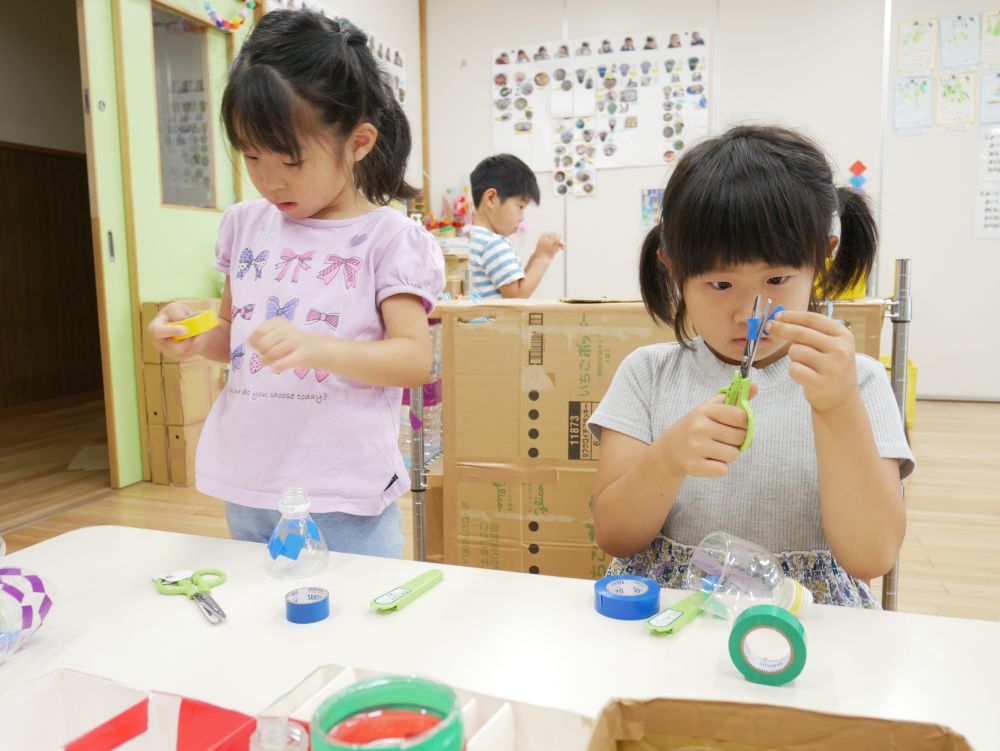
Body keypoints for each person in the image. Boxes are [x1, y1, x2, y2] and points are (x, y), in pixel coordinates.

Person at [147, 10, 444, 558]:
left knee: (356, 631)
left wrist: (318, 348)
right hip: (252, 481)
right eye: (252, 156)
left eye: (291, 159)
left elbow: (412, 360)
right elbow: (233, 338)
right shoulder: (244, 225)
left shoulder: (388, 238)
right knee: (272, 626)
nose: (269, 179)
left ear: (358, 142)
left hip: (342, 493)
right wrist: (191, 340)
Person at [588, 125, 912, 608]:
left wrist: (837, 406)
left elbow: (872, 556)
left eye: (777, 278)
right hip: (673, 613)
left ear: (821, 257)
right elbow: (614, 535)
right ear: (672, 268)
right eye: (720, 285)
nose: (749, 312)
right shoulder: (648, 374)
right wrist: (670, 456)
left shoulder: (858, 381)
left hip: (807, 621)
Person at [467, 154, 564, 298]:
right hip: (497, 321)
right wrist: (544, 257)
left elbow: (516, 284)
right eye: (520, 206)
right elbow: (517, 296)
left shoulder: (474, 238)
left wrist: (537, 254)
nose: (521, 218)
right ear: (491, 198)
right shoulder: (493, 244)